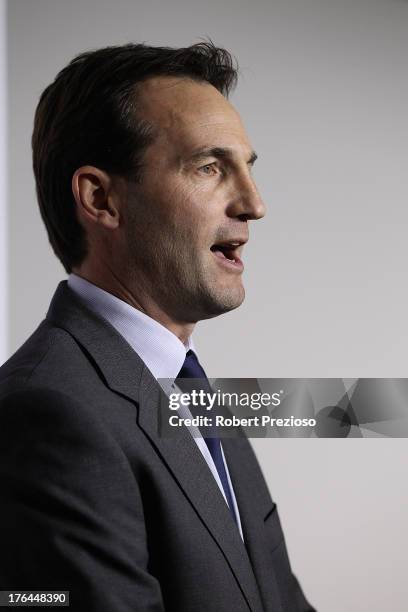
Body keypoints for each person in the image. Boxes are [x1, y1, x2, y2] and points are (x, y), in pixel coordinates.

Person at [0, 42, 315, 611]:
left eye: (248, 168)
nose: (254, 203)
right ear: (101, 199)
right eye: (210, 167)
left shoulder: (195, 394)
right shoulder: (45, 413)